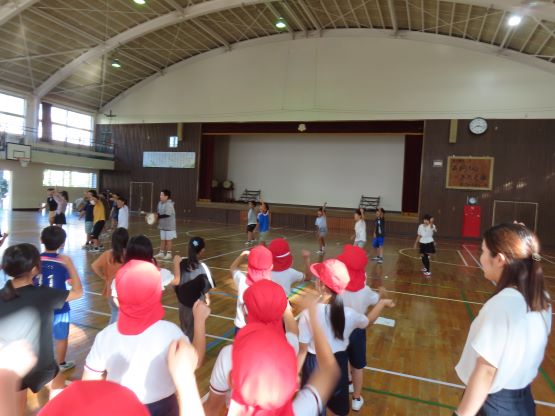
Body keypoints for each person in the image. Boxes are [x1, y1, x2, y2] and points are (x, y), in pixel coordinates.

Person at [82, 260, 210, 416]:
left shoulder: (105, 336)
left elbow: (88, 383)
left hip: (120, 407)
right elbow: (195, 362)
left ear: (117, 299)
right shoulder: (170, 332)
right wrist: (199, 321)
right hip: (163, 408)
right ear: (157, 295)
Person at [454, 223, 551, 416]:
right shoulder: (541, 297)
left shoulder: (502, 304)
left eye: (483, 251)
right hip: (524, 403)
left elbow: (486, 372)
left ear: (499, 259)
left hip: (494, 404)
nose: (481, 257)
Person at [297, 259, 395, 416]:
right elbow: (368, 321)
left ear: (321, 285)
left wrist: (295, 374)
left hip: (313, 364)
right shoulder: (349, 314)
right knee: (337, 409)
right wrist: (382, 303)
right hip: (339, 364)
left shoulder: (308, 314)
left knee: (312, 408)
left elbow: (302, 350)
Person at [0, 243, 82, 415]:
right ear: (34, 269)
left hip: (14, 365)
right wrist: (69, 264)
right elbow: (78, 292)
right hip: (43, 365)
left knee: (17, 407)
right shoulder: (45, 294)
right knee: (59, 397)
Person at [204, 279, 300, 415]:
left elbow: (212, 408)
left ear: (245, 313)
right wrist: (286, 310)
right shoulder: (289, 347)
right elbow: (293, 331)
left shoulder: (229, 354)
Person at [337, 245, 383, 411]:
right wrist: (381, 293)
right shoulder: (365, 291)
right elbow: (375, 299)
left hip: (339, 328)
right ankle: (356, 398)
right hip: (357, 331)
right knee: (357, 366)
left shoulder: (337, 287)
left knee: (343, 359)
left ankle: (347, 384)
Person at [39, 226, 81, 373]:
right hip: (60, 306)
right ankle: (61, 363)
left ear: (41, 240)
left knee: (41, 336)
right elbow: (72, 283)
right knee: (61, 337)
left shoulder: (36, 260)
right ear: (62, 243)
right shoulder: (63, 262)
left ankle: (40, 363)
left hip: (40, 306)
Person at [170, 237, 215, 341]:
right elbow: (206, 287)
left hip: (182, 304)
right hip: (196, 307)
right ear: (202, 250)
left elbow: (175, 284)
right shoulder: (202, 267)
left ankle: (184, 345)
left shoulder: (180, 263)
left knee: (184, 329)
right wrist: (207, 298)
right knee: (194, 333)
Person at [230, 245, 273, 334]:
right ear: (271, 267)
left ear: (248, 265)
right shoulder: (272, 287)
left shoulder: (242, 280)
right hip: (261, 329)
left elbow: (233, 268)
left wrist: (242, 255)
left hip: (241, 328)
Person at [91, 228, 129, 324]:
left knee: (115, 312)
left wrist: (103, 276)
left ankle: (111, 331)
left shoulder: (107, 254)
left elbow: (94, 266)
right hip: (126, 290)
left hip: (111, 289)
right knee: (123, 314)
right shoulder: (130, 254)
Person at [155, 189, 176, 260]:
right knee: (163, 239)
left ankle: (169, 254)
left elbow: (167, 214)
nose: (160, 196)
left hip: (169, 226)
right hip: (162, 225)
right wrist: (155, 217)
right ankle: (161, 253)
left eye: (162, 195)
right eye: (160, 195)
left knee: (168, 240)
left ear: (166, 196)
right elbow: (159, 213)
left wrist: (158, 217)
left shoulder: (169, 204)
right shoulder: (159, 203)